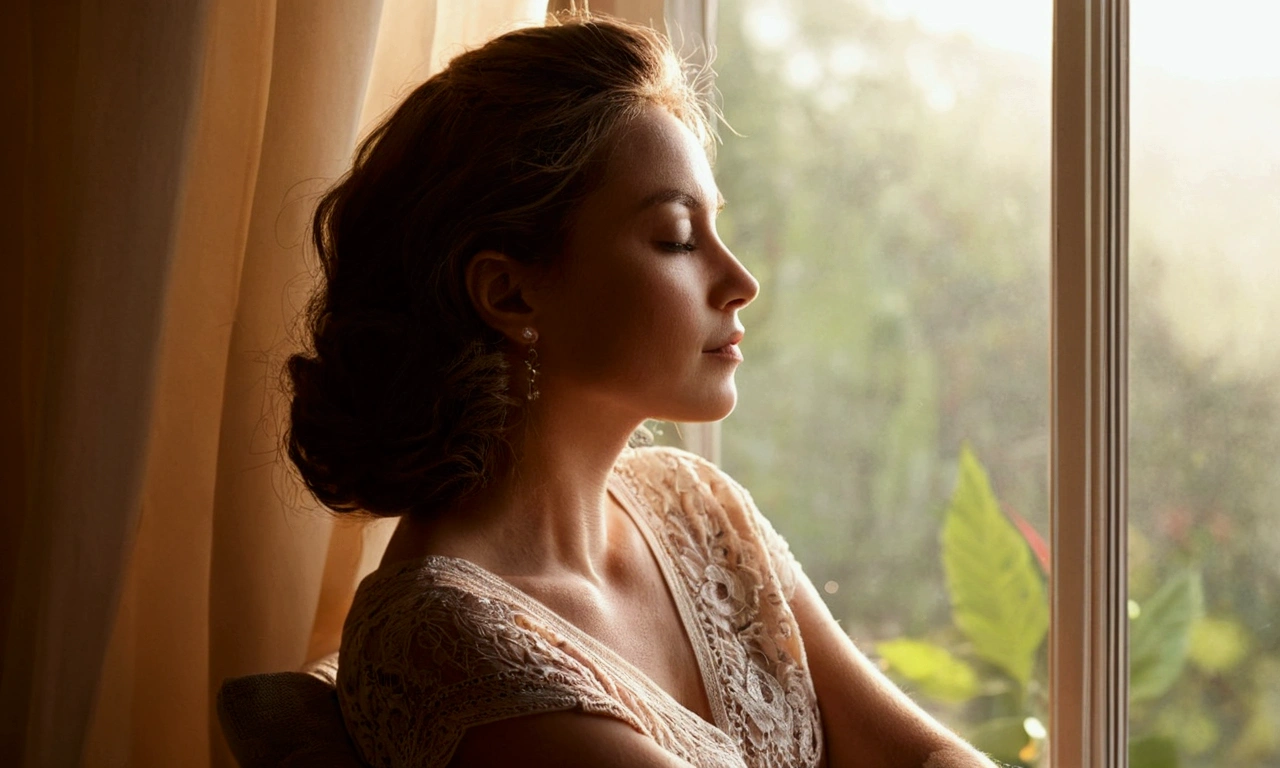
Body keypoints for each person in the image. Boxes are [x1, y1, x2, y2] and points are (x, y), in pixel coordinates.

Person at [285, 11, 996, 768]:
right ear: (511, 295)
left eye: (716, 229)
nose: (740, 282)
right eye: (677, 240)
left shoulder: (696, 508)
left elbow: (922, 757)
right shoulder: (440, 636)